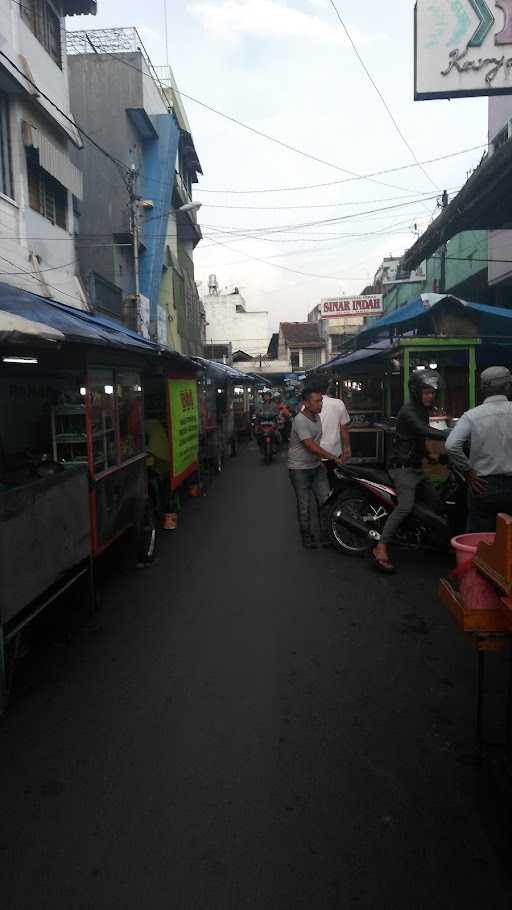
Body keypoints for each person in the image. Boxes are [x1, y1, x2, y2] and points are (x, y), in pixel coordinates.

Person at [372, 369, 448, 573]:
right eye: (426, 392)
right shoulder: (409, 411)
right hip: (402, 470)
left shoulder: (422, 410)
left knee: (436, 504)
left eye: (432, 392)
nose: (430, 396)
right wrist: (451, 434)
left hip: (416, 468)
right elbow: (422, 430)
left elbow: (416, 438)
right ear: (416, 392)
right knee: (405, 506)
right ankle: (381, 547)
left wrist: (429, 455)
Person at [445, 366, 512, 532]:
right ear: (507, 387)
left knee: (480, 539)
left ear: (482, 389)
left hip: (483, 485)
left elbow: (451, 445)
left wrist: (467, 471)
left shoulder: (472, 415)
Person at [288, 385, 345, 549]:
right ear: (306, 402)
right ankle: (307, 537)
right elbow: (311, 446)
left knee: (325, 501)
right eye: (317, 401)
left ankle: (327, 536)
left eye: (321, 400)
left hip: (316, 466)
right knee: (304, 505)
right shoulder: (300, 420)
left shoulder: (317, 417)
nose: (321, 404)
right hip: (299, 469)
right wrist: (334, 457)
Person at [319, 380, 351, 463]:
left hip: (314, 453)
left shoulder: (307, 405)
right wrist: (347, 448)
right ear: (328, 388)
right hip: (333, 452)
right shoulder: (338, 403)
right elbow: (344, 428)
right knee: (332, 475)